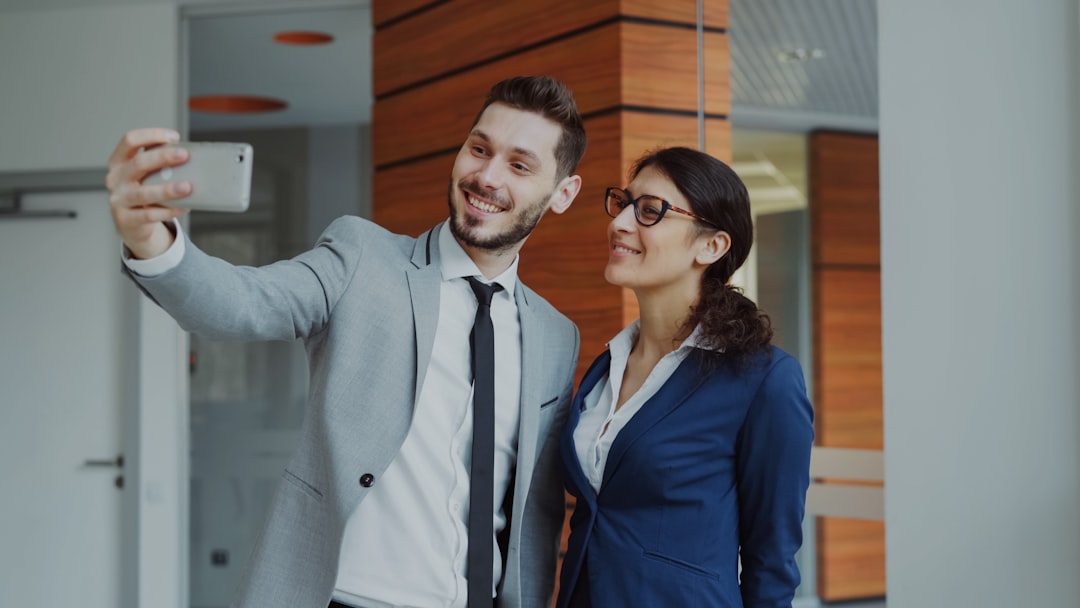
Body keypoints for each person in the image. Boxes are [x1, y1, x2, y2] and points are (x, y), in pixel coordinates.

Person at [104, 76, 586, 608]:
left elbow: (537, 513)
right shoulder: (362, 259)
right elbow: (242, 303)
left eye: (519, 165)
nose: (487, 176)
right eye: (479, 148)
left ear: (562, 193)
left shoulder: (554, 336)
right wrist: (152, 242)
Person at [556, 147, 814, 607]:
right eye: (623, 203)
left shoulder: (765, 380)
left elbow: (771, 561)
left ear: (711, 246)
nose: (619, 223)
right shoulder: (605, 367)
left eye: (650, 211)